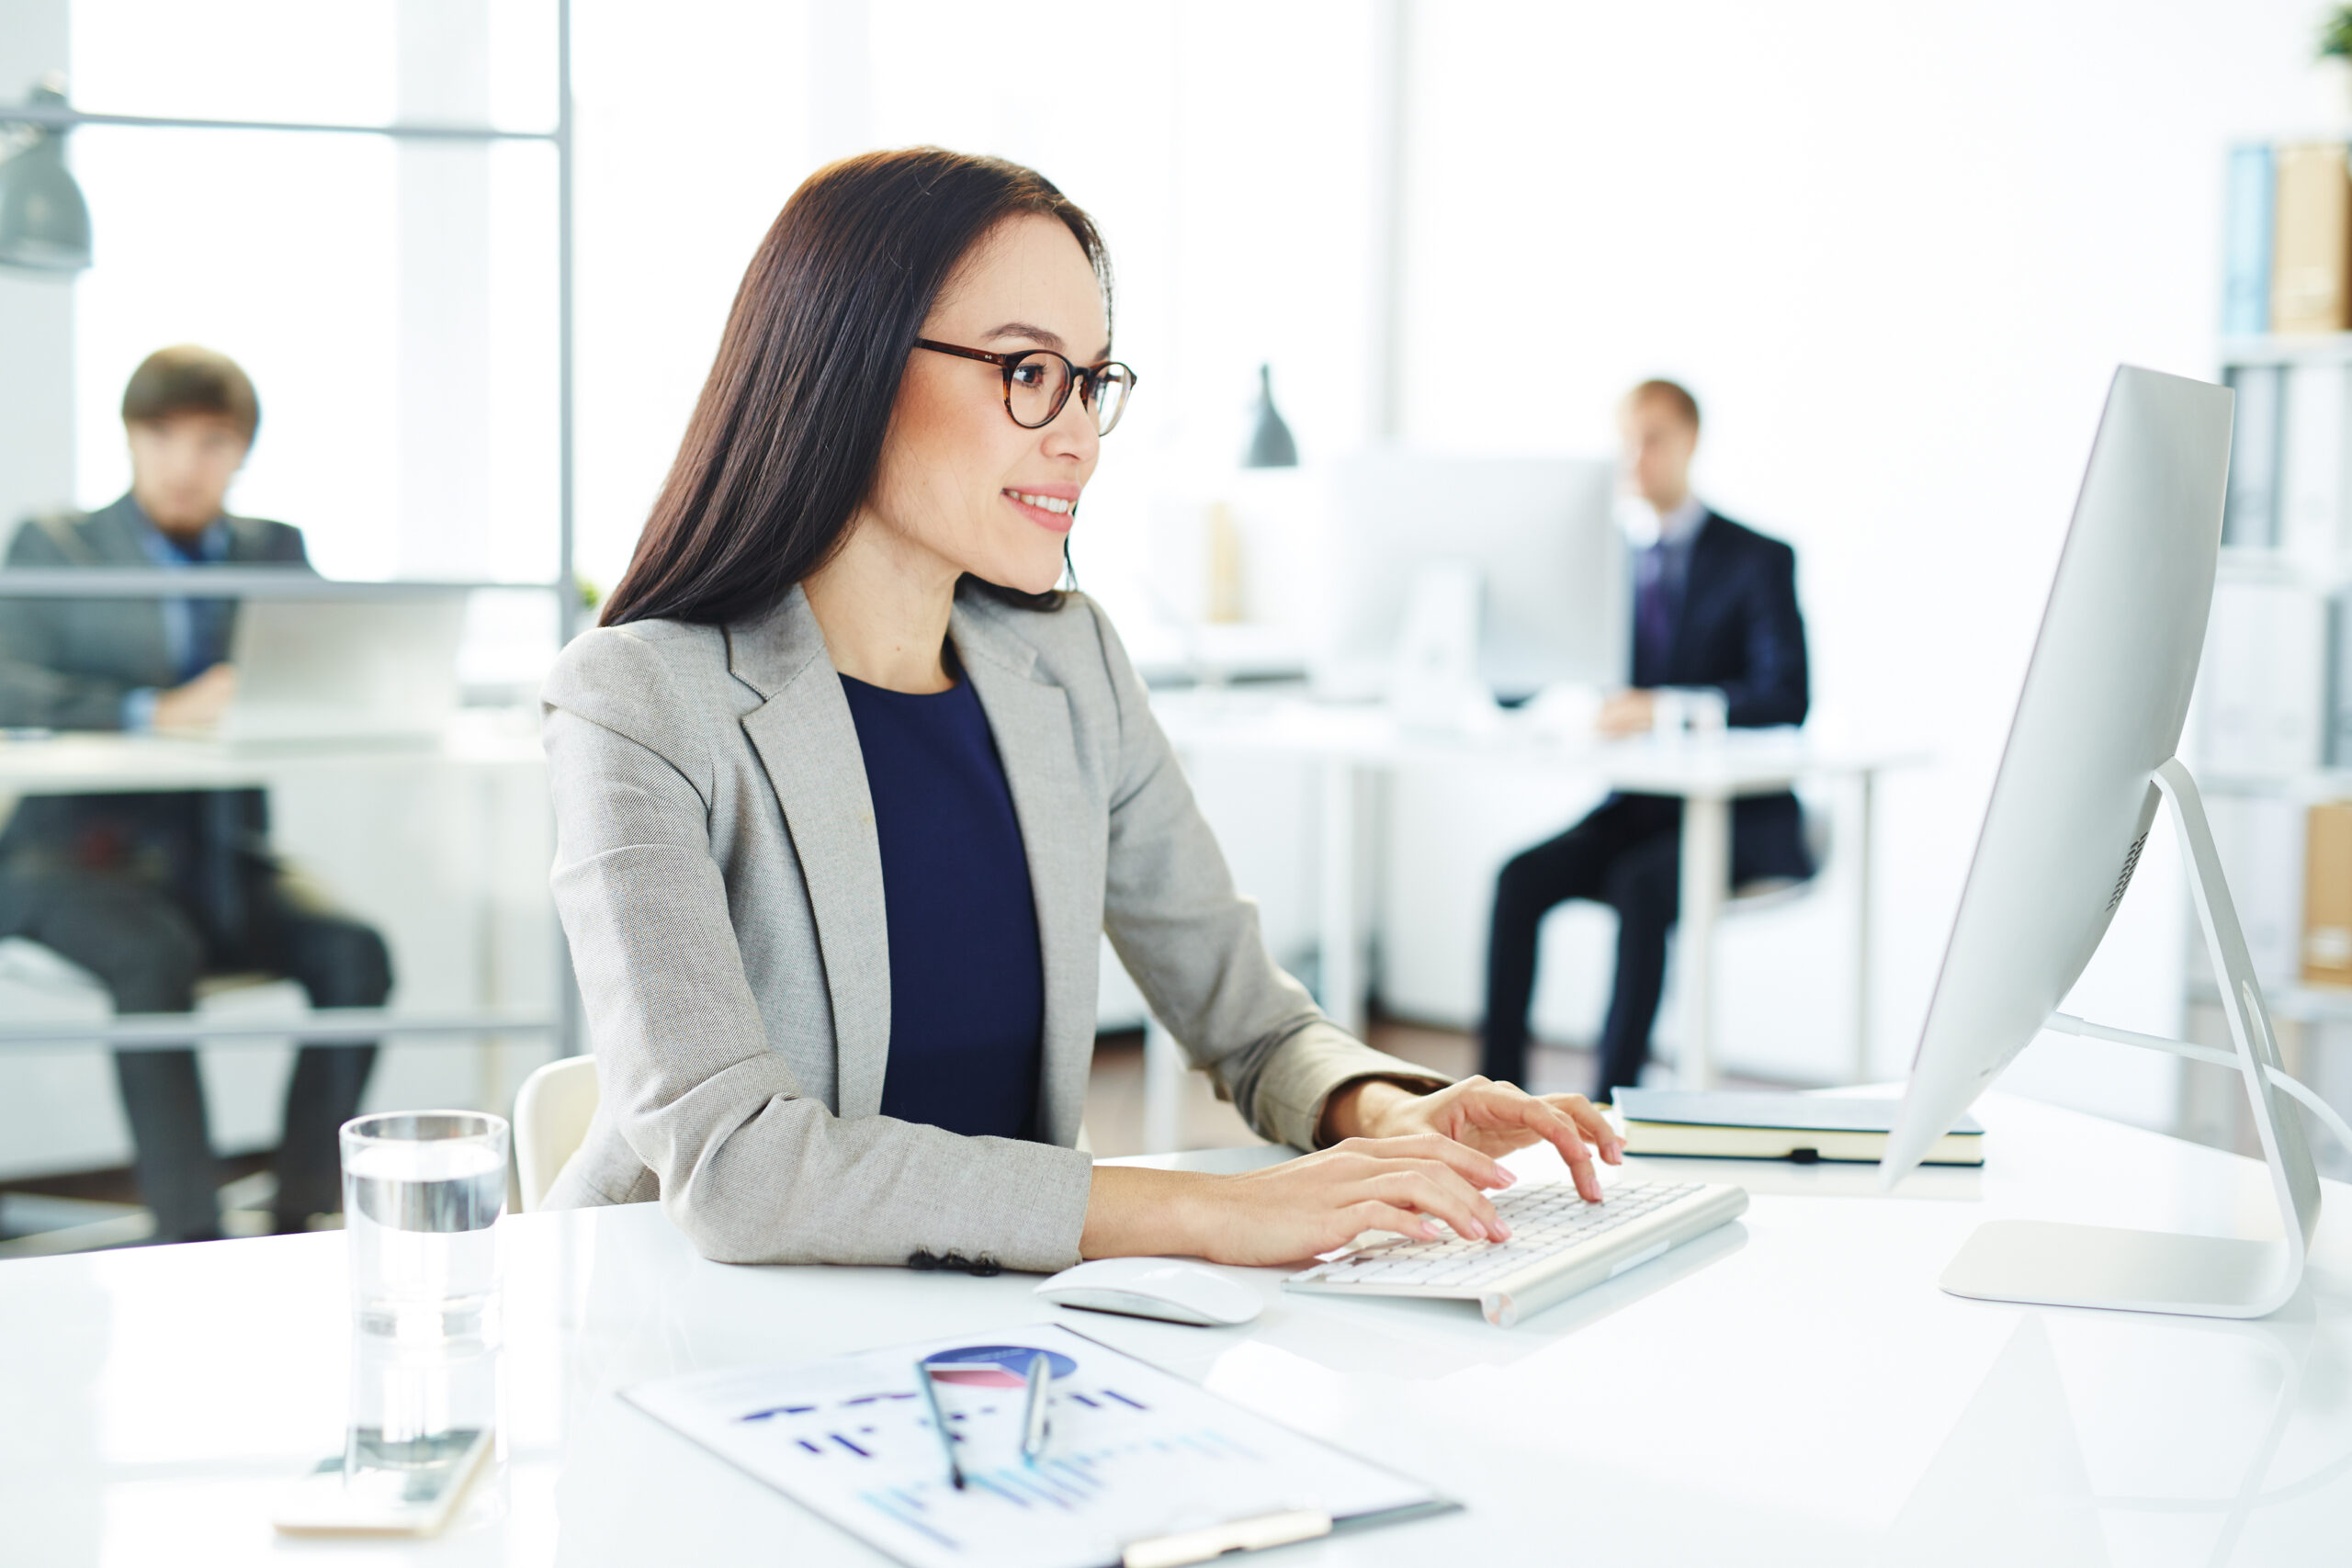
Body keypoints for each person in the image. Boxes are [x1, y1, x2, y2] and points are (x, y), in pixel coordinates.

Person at [540, 148, 1624, 1272]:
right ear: (847, 366)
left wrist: (1385, 1112)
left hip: (992, 1351)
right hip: (673, 1336)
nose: (1079, 436)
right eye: (1025, 372)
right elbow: (741, 1171)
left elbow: (1250, 1022)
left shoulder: (1068, 666)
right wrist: (1211, 1212)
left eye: (1091, 381)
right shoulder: (641, 701)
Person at [0, 345, 393, 1242]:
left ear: (241, 451)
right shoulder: (54, 544)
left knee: (355, 956)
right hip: (64, 860)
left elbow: (336, 669)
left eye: (212, 442)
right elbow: (7, 683)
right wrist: (154, 711)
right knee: (154, 958)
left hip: (216, 856)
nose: (186, 463)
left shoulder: (274, 550)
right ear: (132, 439)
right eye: (164, 437)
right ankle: (187, 1237)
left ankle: (299, 1215)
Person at [1479, 379, 1811, 1101]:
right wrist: (1500, 611)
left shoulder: (1758, 558)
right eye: (1627, 439)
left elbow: (1788, 696)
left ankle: (1610, 1108)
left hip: (1745, 815)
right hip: (1642, 810)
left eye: (1654, 437)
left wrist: (1662, 709)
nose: (1637, 456)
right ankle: (1495, 1098)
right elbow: (1526, 677)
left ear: (1691, 440)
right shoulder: (1607, 566)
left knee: (1641, 886)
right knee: (1520, 878)